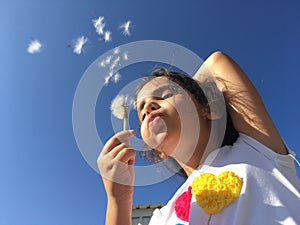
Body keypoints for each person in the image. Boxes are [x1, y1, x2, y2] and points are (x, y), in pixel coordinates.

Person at [97, 51, 300, 225]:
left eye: (163, 95)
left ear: (209, 109)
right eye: (141, 114)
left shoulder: (256, 149)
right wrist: (118, 200)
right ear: (159, 152)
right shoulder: (161, 218)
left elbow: (217, 63)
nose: (148, 107)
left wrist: (197, 94)